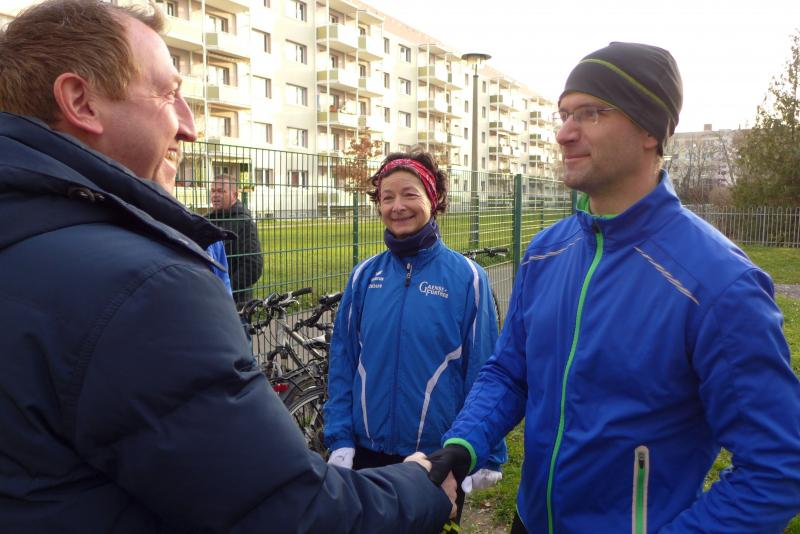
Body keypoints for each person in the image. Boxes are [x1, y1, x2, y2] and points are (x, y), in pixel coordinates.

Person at [0, 1, 458, 531]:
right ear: (81, 101)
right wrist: (419, 487)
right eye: (168, 94)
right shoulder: (144, 287)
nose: (189, 125)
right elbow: (286, 512)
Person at [426, 42, 800, 533]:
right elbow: (510, 372)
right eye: (564, 114)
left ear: (650, 129)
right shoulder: (545, 252)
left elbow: (777, 468)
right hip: (529, 521)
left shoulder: (719, 283)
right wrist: (464, 445)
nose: (564, 133)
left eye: (592, 113)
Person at [323, 151, 507, 518]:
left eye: (410, 194)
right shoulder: (364, 277)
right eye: (387, 197)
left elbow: (484, 369)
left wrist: (486, 451)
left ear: (433, 199)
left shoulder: (468, 279)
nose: (397, 207)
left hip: (436, 458)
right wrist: (340, 438)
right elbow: (343, 362)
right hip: (366, 455)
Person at [208, 174, 263, 306]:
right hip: (210, 297)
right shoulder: (207, 221)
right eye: (213, 191)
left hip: (236, 302)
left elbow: (253, 266)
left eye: (221, 191)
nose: (215, 195)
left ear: (235, 195)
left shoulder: (244, 222)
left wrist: (226, 289)